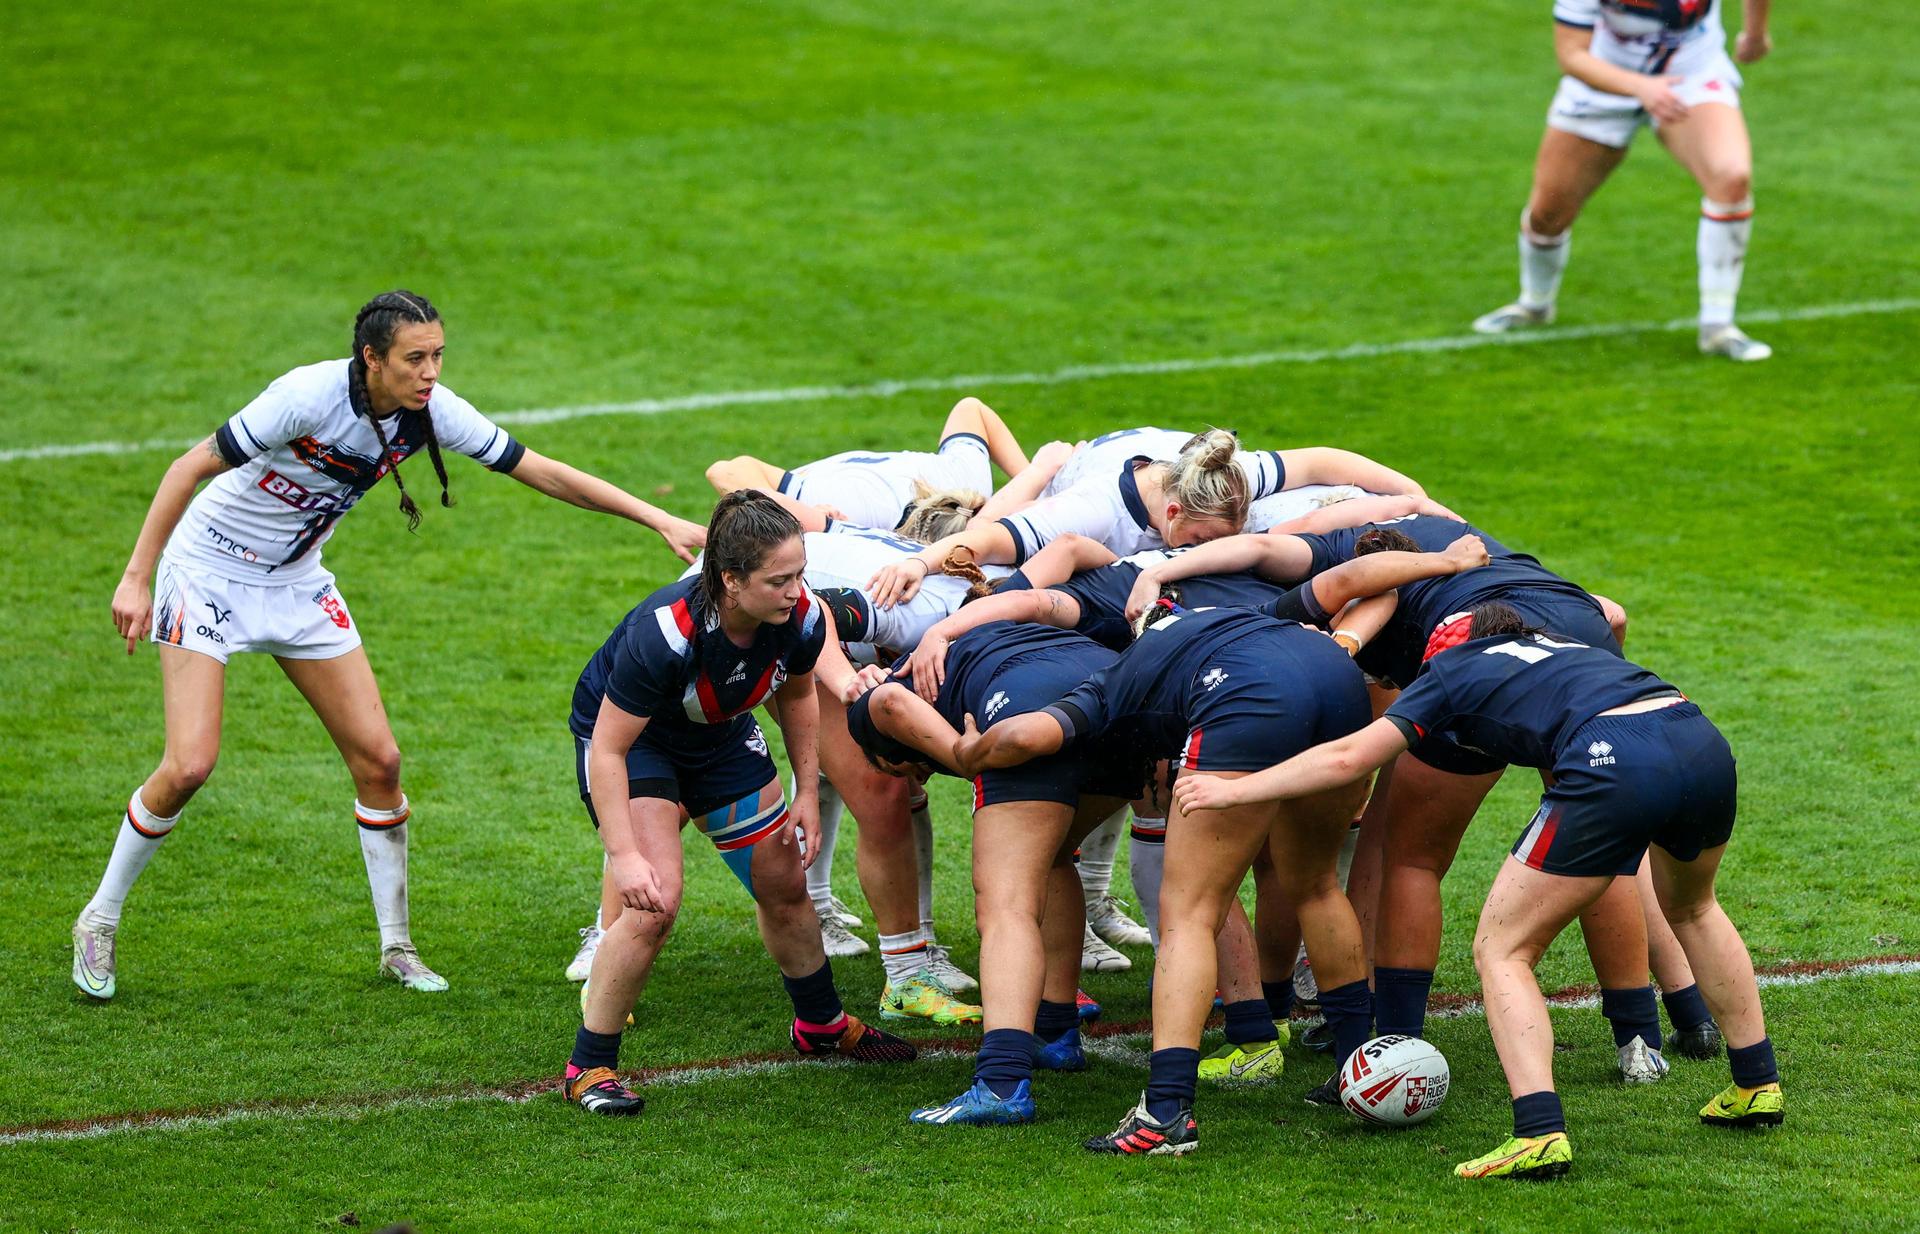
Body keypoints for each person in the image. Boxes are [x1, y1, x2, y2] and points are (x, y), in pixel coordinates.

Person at [74, 291, 706, 1001]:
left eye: (438, 355)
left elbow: (540, 470)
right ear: (371, 358)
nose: (431, 371)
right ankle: (99, 917)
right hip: (208, 569)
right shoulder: (304, 396)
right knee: (190, 763)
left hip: (295, 583)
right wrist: (136, 578)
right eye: (415, 358)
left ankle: (397, 948)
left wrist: (656, 517)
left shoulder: (433, 410)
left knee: (381, 760)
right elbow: (189, 468)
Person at [1174, 602, 1784, 1179]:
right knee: (1695, 907)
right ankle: (1756, 1083)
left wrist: (1232, 790)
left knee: (1504, 948)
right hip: (1698, 737)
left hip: (1613, 759)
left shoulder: (1454, 666)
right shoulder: (1562, 645)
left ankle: (1538, 1132)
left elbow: (1347, 760)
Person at [1126, 513, 1714, 1079]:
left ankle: (1396, 1040)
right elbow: (1612, 614)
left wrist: (1154, 574)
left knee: (1410, 854)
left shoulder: (1339, 565)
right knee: (1601, 847)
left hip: (1477, 654)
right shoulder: (1445, 530)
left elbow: (1267, 556)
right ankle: (1643, 1037)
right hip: (1586, 647)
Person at [953, 604, 1377, 1154]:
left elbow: (1028, 735)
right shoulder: (1229, 618)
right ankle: (1359, 1072)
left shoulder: (1120, 676)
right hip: (1335, 674)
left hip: (1245, 692)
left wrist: (968, 750)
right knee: (1318, 883)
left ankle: (1166, 1114)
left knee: (1189, 916)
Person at [562, 492, 915, 1116]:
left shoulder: (800, 617)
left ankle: (821, 1024)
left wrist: (808, 791)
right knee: (653, 904)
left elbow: (801, 693)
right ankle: (588, 1067)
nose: (795, 591)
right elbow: (609, 752)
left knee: (783, 878)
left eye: (799, 574)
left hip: (717, 733)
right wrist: (623, 856)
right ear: (730, 580)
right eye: (778, 580)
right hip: (638, 744)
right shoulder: (666, 634)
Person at [846, 621, 1140, 1126]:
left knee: (1007, 904)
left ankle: (1002, 1082)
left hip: (1027, 705)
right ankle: (1054, 1030)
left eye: (902, 769)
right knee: (1052, 856)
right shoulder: (998, 637)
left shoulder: (885, 697)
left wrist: (968, 756)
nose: (918, 776)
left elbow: (888, 705)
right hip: (1126, 699)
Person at [1472, 0, 1776, 361]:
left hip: (1692, 76)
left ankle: (1717, 327)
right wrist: (1641, 88)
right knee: (1547, 215)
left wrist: (1755, 35)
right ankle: (1535, 304)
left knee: (1731, 176)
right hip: (1604, 84)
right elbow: (1571, 55)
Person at [864, 428, 1425, 608]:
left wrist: (1416, 497)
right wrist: (923, 561)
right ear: (1173, 513)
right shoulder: (1091, 510)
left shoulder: (1225, 478)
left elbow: (1326, 460)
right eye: (1203, 539)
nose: (1210, 548)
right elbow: (992, 539)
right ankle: (1041, 464)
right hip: (1081, 467)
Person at [704, 397, 1038, 536]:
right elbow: (725, 472)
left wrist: (1032, 486)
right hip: (820, 483)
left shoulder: (969, 483)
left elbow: (971, 409)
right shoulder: (852, 507)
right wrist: (792, 516)